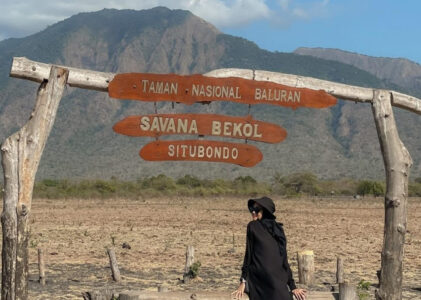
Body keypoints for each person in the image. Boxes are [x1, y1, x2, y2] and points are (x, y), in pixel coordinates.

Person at [232, 196, 307, 300]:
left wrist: (293, 286)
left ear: (265, 211)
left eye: (256, 210)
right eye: (251, 210)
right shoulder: (254, 226)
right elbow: (249, 254)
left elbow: (283, 259)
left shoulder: (277, 229)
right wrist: (243, 281)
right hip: (261, 278)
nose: (253, 212)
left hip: (275, 279)